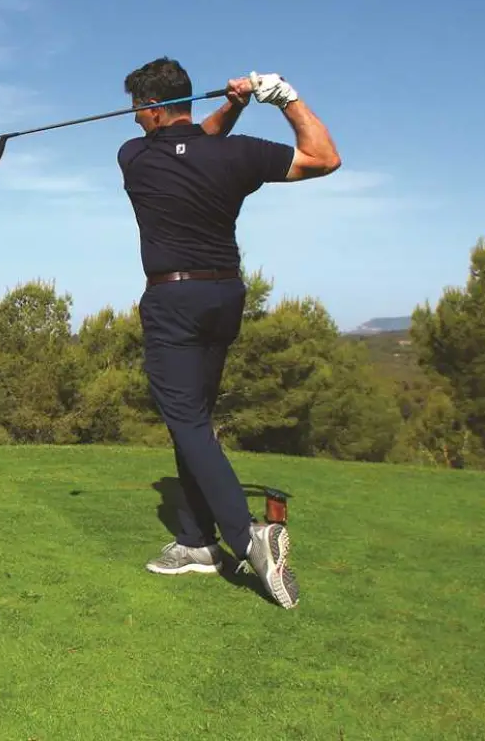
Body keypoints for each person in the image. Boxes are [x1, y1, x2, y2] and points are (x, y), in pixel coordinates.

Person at [117, 56, 341, 610]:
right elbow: (323, 157)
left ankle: (247, 539)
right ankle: (196, 540)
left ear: (149, 108)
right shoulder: (233, 155)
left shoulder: (135, 158)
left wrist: (234, 108)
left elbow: (185, 143)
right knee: (194, 418)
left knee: (186, 418)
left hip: (172, 298)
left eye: (137, 112)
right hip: (225, 297)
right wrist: (279, 97)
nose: (133, 123)